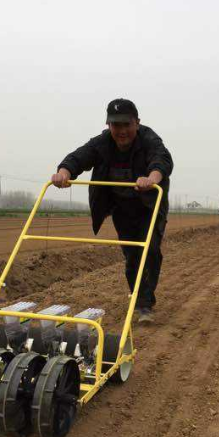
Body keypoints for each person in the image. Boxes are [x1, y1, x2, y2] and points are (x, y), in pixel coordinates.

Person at [51, 98, 173, 324]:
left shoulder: (149, 139)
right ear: (109, 125)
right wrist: (64, 172)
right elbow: (79, 157)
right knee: (131, 256)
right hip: (122, 209)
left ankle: (145, 304)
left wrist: (151, 178)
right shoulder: (103, 143)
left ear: (137, 123)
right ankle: (138, 297)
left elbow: (162, 161)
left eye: (127, 124)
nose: (122, 131)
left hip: (149, 206)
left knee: (150, 250)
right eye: (116, 125)